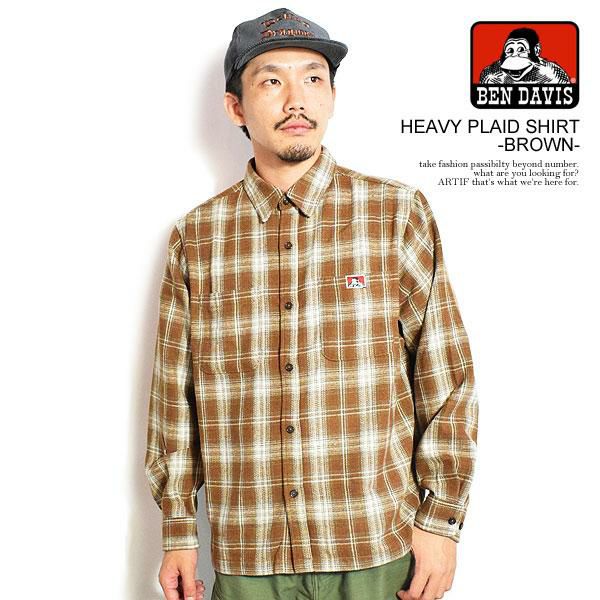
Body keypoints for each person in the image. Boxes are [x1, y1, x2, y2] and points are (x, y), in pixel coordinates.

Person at [144, 7, 479, 600]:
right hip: (250, 555)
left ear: (332, 97)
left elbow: (446, 376)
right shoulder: (197, 238)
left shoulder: (395, 214)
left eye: (313, 78)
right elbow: (175, 395)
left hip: (377, 546)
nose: (296, 99)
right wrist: (178, 529)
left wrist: (441, 520)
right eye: (272, 80)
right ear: (236, 108)